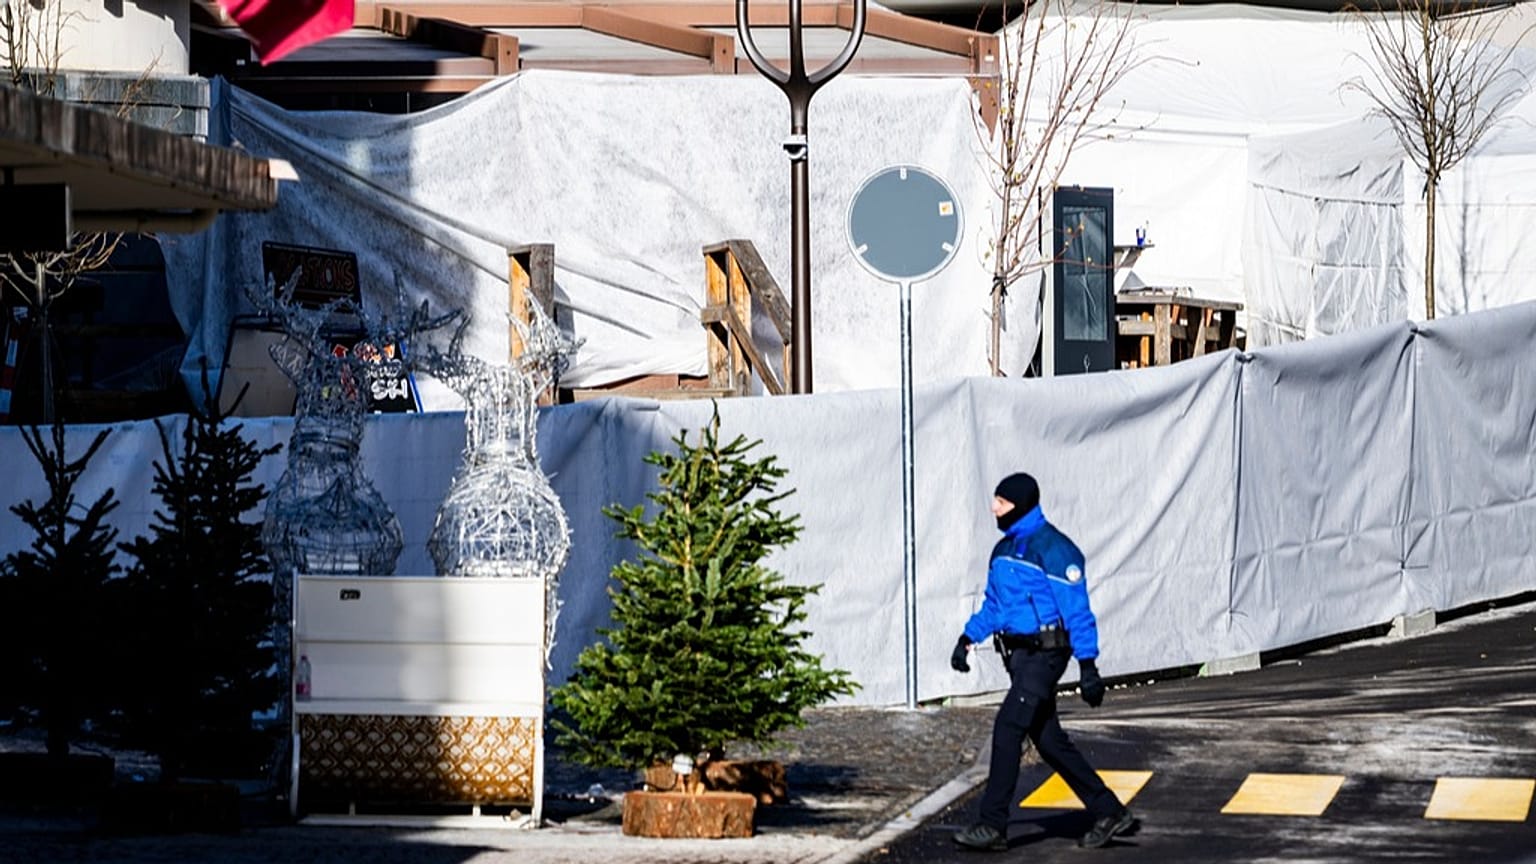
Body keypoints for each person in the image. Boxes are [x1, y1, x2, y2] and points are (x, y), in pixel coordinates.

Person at [949, 472, 1137, 851]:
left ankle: (992, 825)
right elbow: (995, 606)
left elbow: (1078, 612)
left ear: (1019, 504)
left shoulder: (1055, 550)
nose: (993, 508)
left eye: (1000, 502)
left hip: (1046, 656)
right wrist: (968, 638)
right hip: (1018, 657)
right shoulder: (1002, 551)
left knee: (1007, 729)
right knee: (1049, 742)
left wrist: (1088, 666)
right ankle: (1110, 812)